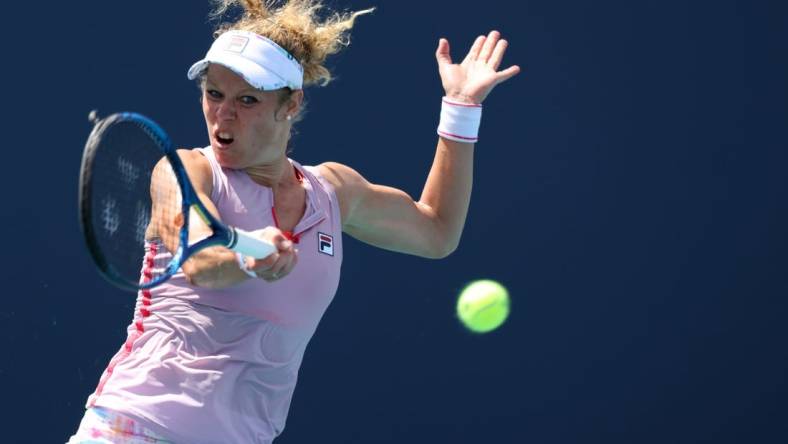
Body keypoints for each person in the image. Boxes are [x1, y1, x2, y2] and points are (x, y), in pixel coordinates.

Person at [68, 0, 520, 442]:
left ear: (292, 105)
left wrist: (460, 107)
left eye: (247, 100)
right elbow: (200, 260)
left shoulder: (333, 193)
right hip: (134, 427)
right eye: (214, 94)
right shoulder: (185, 170)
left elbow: (436, 231)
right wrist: (249, 256)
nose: (223, 114)